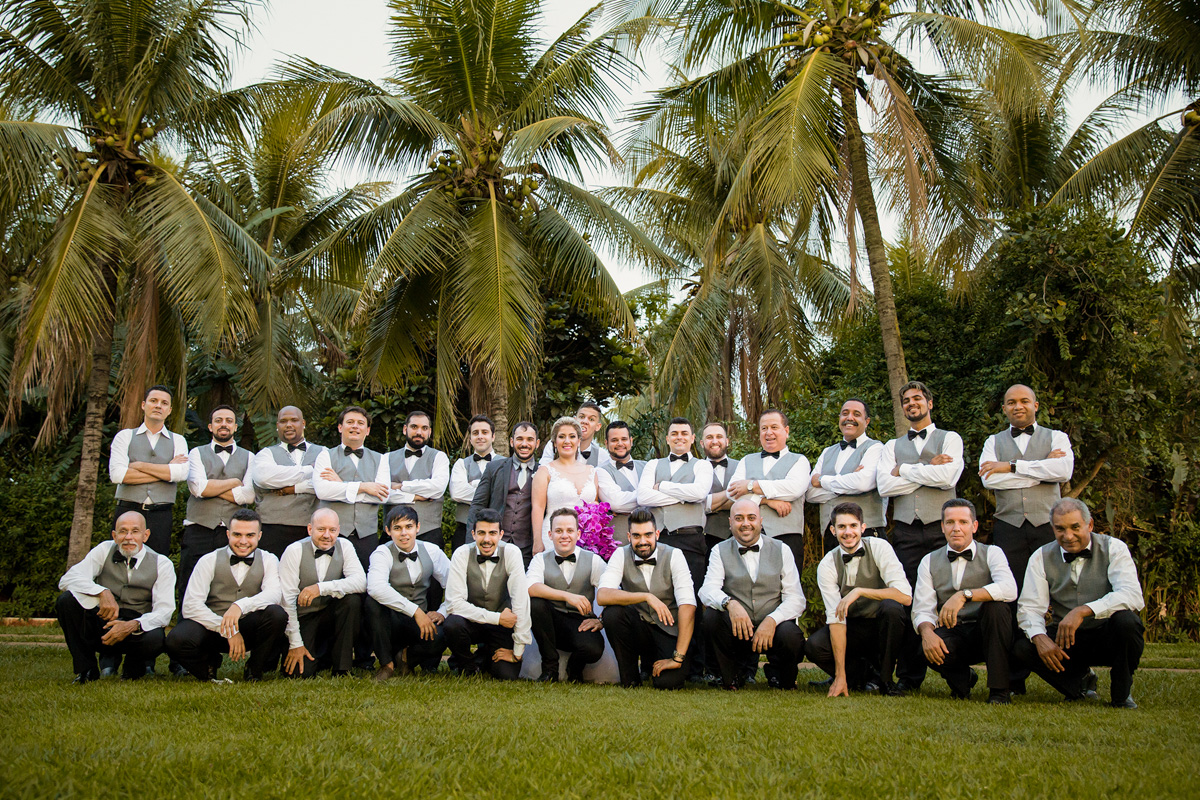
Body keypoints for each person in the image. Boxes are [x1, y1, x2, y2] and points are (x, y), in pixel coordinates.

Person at [1013, 498, 1145, 708]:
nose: (1068, 536)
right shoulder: (1041, 556)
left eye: (1075, 527)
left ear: (1089, 525)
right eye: (1060, 529)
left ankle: (1121, 693)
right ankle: (1078, 685)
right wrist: (1039, 637)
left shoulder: (1114, 548)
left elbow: (1131, 595)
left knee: (1128, 622)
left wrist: (1083, 611)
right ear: (1053, 529)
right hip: (1067, 640)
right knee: (1022, 647)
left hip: (1107, 634)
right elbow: (1029, 607)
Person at [875, 381, 964, 690]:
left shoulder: (950, 439)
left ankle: (958, 675)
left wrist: (904, 470)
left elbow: (947, 477)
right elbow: (885, 487)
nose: (911, 403)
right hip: (905, 531)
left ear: (929, 403)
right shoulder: (890, 446)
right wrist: (926, 467)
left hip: (942, 531)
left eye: (917, 398)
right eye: (906, 400)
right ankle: (909, 678)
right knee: (910, 601)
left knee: (945, 598)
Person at [912, 499, 1017, 703]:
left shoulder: (992, 553)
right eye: (950, 522)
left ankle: (999, 692)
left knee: (998, 608)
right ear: (942, 527)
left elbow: (1009, 589)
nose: (956, 528)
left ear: (974, 526)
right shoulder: (929, 560)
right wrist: (926, 633)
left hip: (986, 631)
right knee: (925, 645)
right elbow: (922, 608)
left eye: (963, 522)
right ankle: (963, 681)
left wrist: (964, 595)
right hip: (954, 631)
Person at [165, 509, 286, 682]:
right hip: (213, 628)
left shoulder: (269, 559)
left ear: (259, 536)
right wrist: (228, 630)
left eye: (250, 535)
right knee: (176, 639)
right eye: (237, 534)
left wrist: (240, 606)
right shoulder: (209, 560)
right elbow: (191, 605)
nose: (243, 541)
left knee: (276, 614)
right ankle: (207, 667)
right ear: (228, 534)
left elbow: (274, 594)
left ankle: (254, 668)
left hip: (249, 627)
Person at [805, 502, 912, 696]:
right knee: (814, 646)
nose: (848, 532)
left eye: (853, 526)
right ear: (832, 530)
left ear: (863, 528)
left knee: (892, 609)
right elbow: (836, 620)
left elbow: (905, 596)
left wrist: (860, 591)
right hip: (852, 627)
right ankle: (855, 678)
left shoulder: (880, 547)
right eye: (841, 527)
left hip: (882, 626)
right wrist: (839, 675)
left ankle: (886, 681)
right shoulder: (828, 564)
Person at [699, 498, 806, 691]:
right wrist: (729, 603)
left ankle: (781, 676)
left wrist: (773, 620)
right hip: (738, 630)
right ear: (730, 522)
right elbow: (707, 590)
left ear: (760, 521)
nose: (745, 523)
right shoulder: (719, 550)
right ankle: (731, 678)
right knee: (712, 617)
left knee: (791, 634)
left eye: (751, 517)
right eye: (739, 518)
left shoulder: (782, 549)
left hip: (774, 630)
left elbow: (796, 598)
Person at [56, 511, 175, 682]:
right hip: (103, 622)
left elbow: (165, 611)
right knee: (66, 601)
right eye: (122, 531)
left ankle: (132, 672)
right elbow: (67, 579)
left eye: (135, 531)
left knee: (155, 637)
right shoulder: (104, 549)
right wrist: (102, 592)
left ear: (145, 535)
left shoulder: (162, 563)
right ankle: (86, 670)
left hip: (135, 627)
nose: (128, 537)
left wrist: (133, 625)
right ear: (114, 535)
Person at [978, 384, 1075, 590]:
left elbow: (1064, 472)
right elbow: (989, 480)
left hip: (1048, 524)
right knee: (1012, 588)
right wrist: (1041, 472)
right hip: (1008, 526)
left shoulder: (1057, 437)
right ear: (1004, 409)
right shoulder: (992, 442)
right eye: (1011, 403)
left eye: (1024, 401)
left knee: (1057, 585)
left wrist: (1011, 466)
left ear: (1036, 405)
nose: (1018, 406)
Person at [597, 507, 697, 689]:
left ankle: (664, 663)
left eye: (648, 535)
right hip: (640, 628)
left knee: (667, 683)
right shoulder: (620, 554)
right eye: (636, 536)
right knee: (613, 614)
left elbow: (688, 606)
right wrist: (646, 596)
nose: (642, 541)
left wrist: (677, 657)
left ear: (657, 534)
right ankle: (630, 678)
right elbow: (603, 595)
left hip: (669, 631)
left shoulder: (675, 555)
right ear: (629, 537)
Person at [180, 405, 256, 614]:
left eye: (229, 420)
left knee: (228, 586)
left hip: (233, 534)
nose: (224, 424)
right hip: (199, 529)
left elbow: (248, 496)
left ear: (235, 426)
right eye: (219, 420)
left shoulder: (249, 457)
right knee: (189, 584)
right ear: (210, 426)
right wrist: (233, 482)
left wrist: (210, 488)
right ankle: (186, 635)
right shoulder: (196, 452)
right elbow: (198, 488)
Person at [443, 509, 532, 680]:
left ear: (501, 534)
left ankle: (483, 655)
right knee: (452, 624)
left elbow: (521, 601)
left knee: (506, 674)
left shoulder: (512, 553)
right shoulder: (461, 554)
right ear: (473, 534)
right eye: (481, 533)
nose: (486, 539)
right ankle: (468, 665)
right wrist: (497, 618)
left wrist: (518, 651)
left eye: (492, 533)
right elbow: (454, 604)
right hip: (473, 622)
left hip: (501, 627)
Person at [278, 508, 366, 678]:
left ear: (338, 530)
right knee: (299, 674)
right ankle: (319, 656)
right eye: (321, 530)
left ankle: (342, 668)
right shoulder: (294, 550)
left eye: (332, 530)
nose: (327, 535)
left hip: (328, 613)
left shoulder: (345, 546)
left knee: (352, 601)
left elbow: (361, 582)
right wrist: (295, 643)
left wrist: (320, 588)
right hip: (302, 617)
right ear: (310, 529)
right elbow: (286, 600)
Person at [367, 505, 452, 680]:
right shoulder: (382, 552)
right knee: (371, 603)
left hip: (418, 623)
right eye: (397, 528)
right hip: (390, 621)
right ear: (388, 531)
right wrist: (415, 611)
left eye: (409, 527)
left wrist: (442, 612)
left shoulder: (432, 551)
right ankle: (386, 665)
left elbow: (455, 586)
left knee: (443, 635)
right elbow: (375, 587)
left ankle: (406, 658)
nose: (404, 533)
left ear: (418, 528)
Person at [525, 508, 609, 682]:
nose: (564, 535)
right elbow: (530, 587)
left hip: (580, 622)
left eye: (570, 531)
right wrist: (567, 596)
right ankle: (550, 669)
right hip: (550, 623)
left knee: (594, 649)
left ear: (578, 534)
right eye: (559, 531)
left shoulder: (593, 560)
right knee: (535, 603)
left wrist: (601, 620)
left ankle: (575, 668)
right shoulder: (540, 559)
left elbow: (611, 591)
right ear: (550, 534)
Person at [635, 417, 714, 596]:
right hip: (658, 539)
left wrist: (663, 486)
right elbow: (643, 497)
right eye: (674, 434)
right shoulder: (652, 464)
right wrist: (684, 497)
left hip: (690, 538)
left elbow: (699, 493)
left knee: (691, 596)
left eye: (684, 433)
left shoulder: (703, 465)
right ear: (667, 438)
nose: (680, 437)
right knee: (660, 594)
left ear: (693, 438)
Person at [109, 384, 188, 557]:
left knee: (157, 564)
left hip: (160, 514)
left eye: (164, 403)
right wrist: (166, 470)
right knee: (120, 561)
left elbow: (180, 474)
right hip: (127, 510)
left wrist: (138, 466)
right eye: (154, 401)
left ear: (169, 410)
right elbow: (117, 475)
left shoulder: (178, 440)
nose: (158, 405)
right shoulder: (125, 436)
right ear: (144, 405)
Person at [727, 409, 810, 568]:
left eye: (774, 427)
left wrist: (750, 486)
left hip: (787, 536)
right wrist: (767, 501)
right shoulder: (746, 460)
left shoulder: (799, 460)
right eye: (764, 428)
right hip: (747, 536)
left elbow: (793, 489)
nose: (768, 432)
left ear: (786, 431)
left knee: (787, 587)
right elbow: (732, 494)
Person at [312, 406, 390, 568]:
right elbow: (322, 491)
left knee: (365, 584)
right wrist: (364, 487)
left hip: (366, 536)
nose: (355, 426)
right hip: (333, 533)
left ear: (367, 430)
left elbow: (383, 495)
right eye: (350, 422)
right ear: (340, 427)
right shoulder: (326, 455)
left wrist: (340, 485)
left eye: (360, 423)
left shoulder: (380, 459)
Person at [807, 399, 886, 551]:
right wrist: (849, 482)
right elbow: (810, 493)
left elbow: (863, 483)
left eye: (856, 414)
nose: (849, 418)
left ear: (867, 421)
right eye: (845, 413)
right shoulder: (827, 452)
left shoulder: (876, 448)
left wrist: (822, 480)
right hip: (832, 534)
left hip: (867, 531)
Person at [253, 406, 326, 558]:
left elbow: (326, 483)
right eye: (283, 421)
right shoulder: (266, 454)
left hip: (312, 528)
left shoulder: (324, 452)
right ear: (277, 426)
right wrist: (310, 471)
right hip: (272, 528)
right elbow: (264, 478)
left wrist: (294, 488)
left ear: (303, 423)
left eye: (294, 420)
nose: (288, 425)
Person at [469, 421, 541, 565]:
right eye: (520, 439)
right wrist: (471, 544)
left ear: (537, 443)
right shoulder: (494, 468)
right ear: (511, 441)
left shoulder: (543, 472)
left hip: (527, 548)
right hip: (494, 544)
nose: (524, 444)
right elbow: (477, 506)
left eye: (529, 439)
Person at [532, 417, 598, 555]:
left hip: (586, 540)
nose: (567, 441)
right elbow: (538, 508)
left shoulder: (592, 471)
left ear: (579, 441)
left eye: (572, 436)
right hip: (553, 538)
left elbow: (595, 505)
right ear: (555, 443)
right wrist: (537, 541)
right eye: (562, 436)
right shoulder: (545, 471)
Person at [384, 410, 450, 546]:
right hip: (393, 535)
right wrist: (415, 497)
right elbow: (383, 494)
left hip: (429, 532)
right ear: (405, 429)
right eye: (414, 427)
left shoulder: (439, 457)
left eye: (424, 428)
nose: (419, 432)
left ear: (429, 432)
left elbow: (437, 488)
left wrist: (400, 486)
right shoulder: (386, 458)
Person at [449, 415, 496, 550]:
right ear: (470, 439)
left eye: (484, 432)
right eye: (475, 433)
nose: (480, 436)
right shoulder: (461, 464)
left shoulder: (505, 463)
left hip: (497, 530)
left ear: (493, 436)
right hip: (464, 530)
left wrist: (473, 484)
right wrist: (490, 493)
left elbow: (504, 495)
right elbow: (457, 493)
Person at [596, 420, 645, 544]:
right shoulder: (600, 471)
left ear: (631, 441)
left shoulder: (647, 466)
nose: (620, 444)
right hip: (619, 540)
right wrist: (649, 495)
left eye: (624, 439)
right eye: (614, 440)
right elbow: (616, 503)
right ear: (606, 443)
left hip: (650, 539)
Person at [700, 422, 739, 553]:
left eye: (719, 436)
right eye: (709, 437)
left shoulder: (742, 466)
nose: (715, 441)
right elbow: (697, 504)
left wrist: (712, 504)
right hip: (707, 538)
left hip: (741, 537)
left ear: (727, 441)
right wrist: (732, 499)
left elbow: (749, 498)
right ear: (702, 443)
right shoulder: (695, 469)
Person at [540, 401, 610, 468]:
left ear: (598, 426)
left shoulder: (602, 455)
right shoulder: (554, 445)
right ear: (575, 420)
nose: (585, 421)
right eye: (582, 417)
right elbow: (543, 470)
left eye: (591, 419)